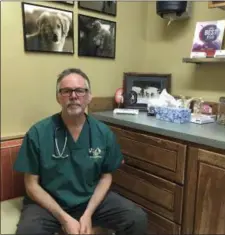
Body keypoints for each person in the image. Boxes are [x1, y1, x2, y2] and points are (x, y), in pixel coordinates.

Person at [13, 68, 148, 235]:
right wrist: (63, 217)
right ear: (58, 97)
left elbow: (106, 177)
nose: (74, 96)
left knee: (137, 218)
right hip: (48, 204)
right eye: (66, 91)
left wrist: (88, 214)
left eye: (80, 90)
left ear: (89, 96)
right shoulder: (38, 133)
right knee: (28, 232)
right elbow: (31, 185)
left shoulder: (103, 133)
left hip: (90, 201)